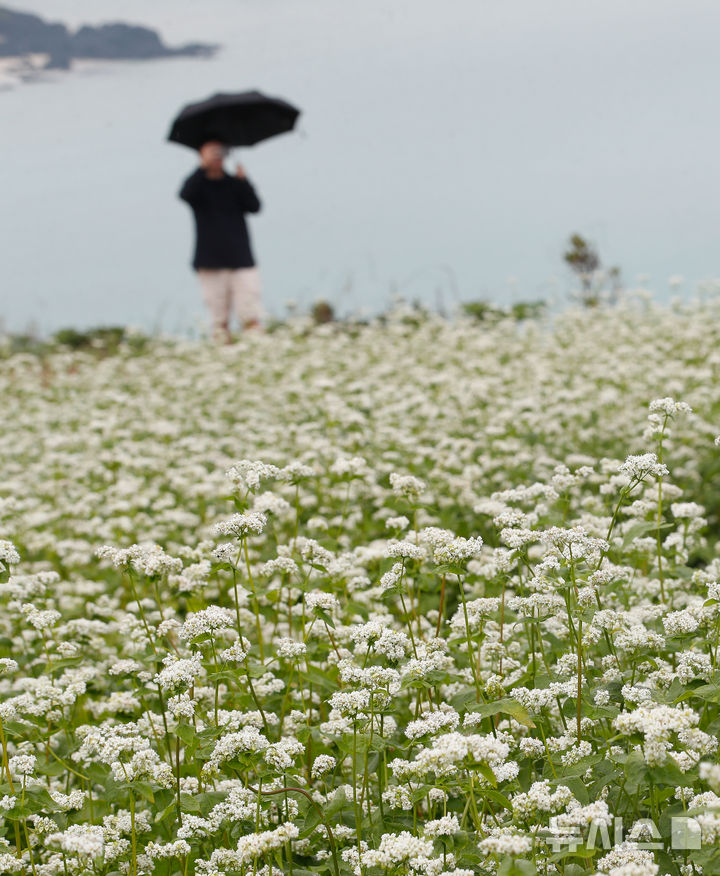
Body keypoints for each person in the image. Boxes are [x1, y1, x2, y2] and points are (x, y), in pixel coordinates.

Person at [179, 140, 263, 343]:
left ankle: (255, 350)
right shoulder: (198, 186)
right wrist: (202, 167)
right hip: (210, 260)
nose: (217, 156)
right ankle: (223, 353)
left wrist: (245, 182)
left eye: (220, 152)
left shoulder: (235, 184)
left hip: (241, 257)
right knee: (219, 318)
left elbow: (254, 206)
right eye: (212, 152)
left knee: (250, 312)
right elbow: (185, 194)